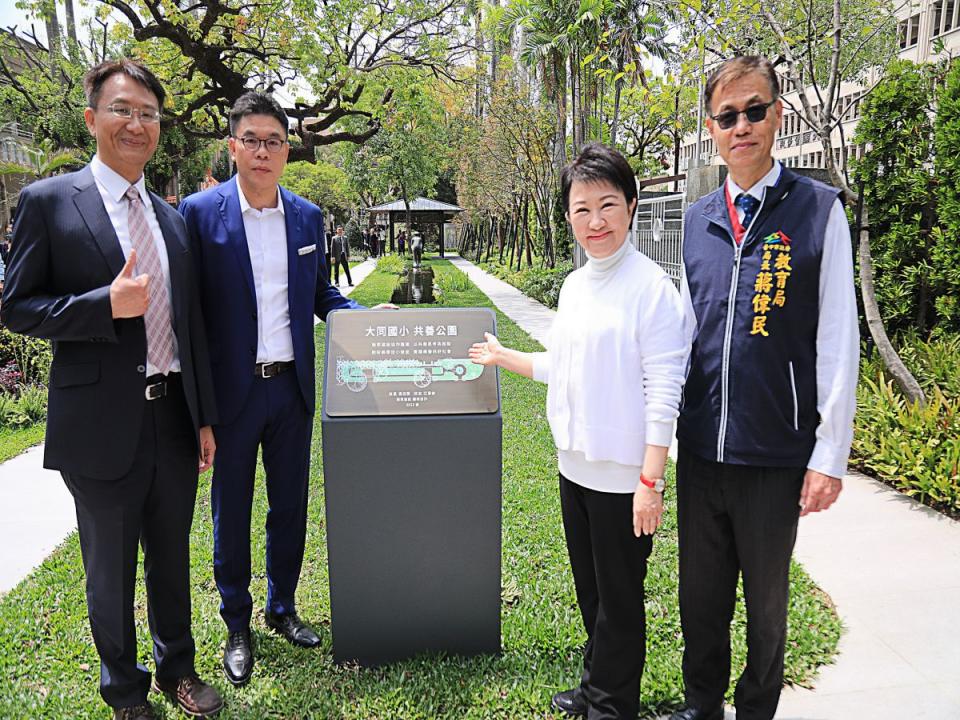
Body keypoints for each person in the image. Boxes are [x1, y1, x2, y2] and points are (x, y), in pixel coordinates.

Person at [0, 59, 222, 720]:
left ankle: (176, 669)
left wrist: (204, 418)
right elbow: (16, 308)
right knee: (109, 569)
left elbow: (192, 329)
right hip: (98, 425)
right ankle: (123, 690)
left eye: (149, 113)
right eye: (123, 109)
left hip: (174, 420)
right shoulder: (49, 202)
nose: (137, 123)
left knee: (172, 559)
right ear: (92, 117)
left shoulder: (170, 219)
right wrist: (104, 305)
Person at [470, 143, 689, 720]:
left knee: (619, 600)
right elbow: (560, 367)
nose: (595, 222)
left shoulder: (652, 291)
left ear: (632, 206)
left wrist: (651, 480)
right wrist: (502, 356)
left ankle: (612, 707)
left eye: (607, 205)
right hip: (575, 468)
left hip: (623, 478)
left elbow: (666, 393)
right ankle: (597, 689)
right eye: (581, 208)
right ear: (568, 215)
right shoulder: (576, 285)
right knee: (592, 593)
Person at [670, 56, 858, 720]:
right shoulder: (696, 220)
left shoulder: (816, 211)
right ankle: (701, 704)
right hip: (698, 450)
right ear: (711, 129)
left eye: (754, 110)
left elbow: (837, 337)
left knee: (767, 606)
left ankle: (756, 709)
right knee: (701, 596)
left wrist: (828, 453)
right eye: (727, 116)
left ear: (777, 113)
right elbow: (683, 330)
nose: (741, 125)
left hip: (774, 455)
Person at [178, 92, 371, 687]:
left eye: (275, 141)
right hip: (231, 396)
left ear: (288, 150)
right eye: (252, 140)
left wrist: (368, 316)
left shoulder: (307, 218)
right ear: (232, 146)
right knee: (230, 511)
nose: (263, 152)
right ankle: (237, 621)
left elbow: (321, 296)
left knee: (288, 507)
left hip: (291, 390)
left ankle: (280, 606)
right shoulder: (196, 212)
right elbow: (188, 314)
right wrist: (200, 410)